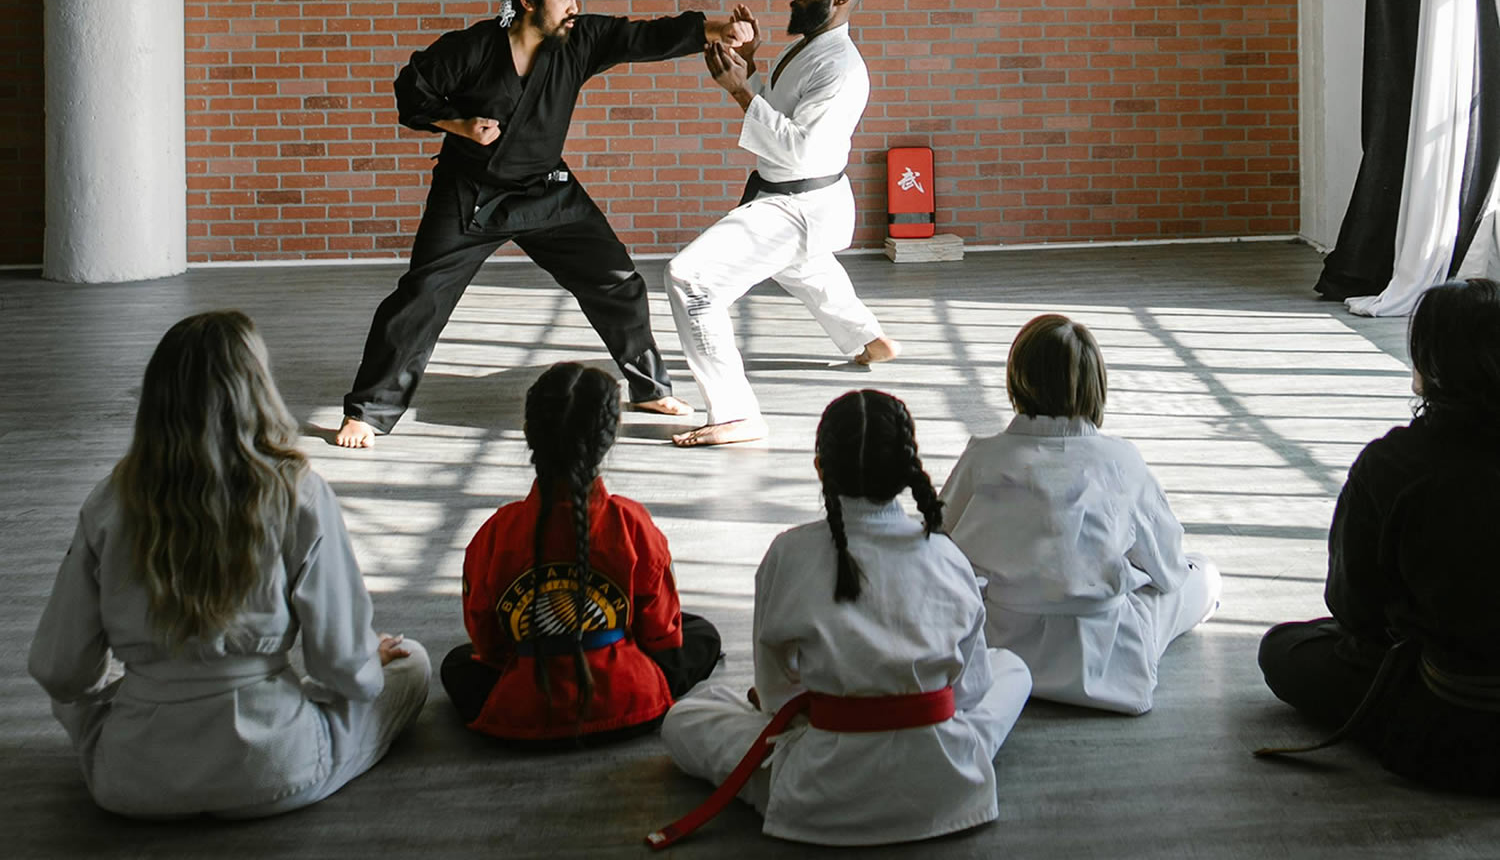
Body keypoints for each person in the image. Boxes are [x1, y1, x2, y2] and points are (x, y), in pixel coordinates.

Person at [336, 0, 754, 448]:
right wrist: (459, 124)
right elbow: (411, 90)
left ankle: (648, 387)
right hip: (470, 194)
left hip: (547, 190)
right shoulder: (471, 48)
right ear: (529, 1)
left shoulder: (580, 40)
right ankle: (368, 411)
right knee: (421, 298)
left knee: (617, 280)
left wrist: (717, 30)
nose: (575, 7)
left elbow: (642, 36)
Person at [28, 311, 429, 818]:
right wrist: (369, 658)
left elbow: (59, 671)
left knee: (81, 700)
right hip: (276, 768)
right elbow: (344, 670)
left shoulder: (110, 500)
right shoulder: (298, 493)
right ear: (257, 390)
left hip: (133, 779)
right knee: (410, 660)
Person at [652, 389, 1032, 848]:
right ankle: (945, 760)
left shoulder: (789, 552)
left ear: (820, 467)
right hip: (945, 782)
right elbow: (969, 693)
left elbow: (774, 695)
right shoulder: (948, 556)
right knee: (1012, 669)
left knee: (688, 716)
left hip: (821, 787)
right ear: (907, 470)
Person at [1258, 278, 1500, 791]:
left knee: (1284, 648)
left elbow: (1353, 607)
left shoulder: (1393, 464)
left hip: (1451, 711)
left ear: (1429, 368)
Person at [664, 0, 901, 448]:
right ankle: (868, 339)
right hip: (798, 199)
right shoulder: (807, 47)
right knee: (805, 269)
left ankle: (735, 413)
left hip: (799, 204)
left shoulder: (841, 68)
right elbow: (779, 111)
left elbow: (798, 149)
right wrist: (749, 69)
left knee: (692, 279)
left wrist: (738, 92)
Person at [941, 314, 1220, 716]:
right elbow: (1168, 570)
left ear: (1016, 382)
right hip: (1104, 655)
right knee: (1201, 574)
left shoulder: (982, 457)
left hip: (1001, 645)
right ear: (1096, 386)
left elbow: (941, 547)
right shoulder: (1120, 460)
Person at [441, 362, 721, 746]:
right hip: (629, 705)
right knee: (701, 634)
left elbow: (489, 645)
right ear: (610, 435)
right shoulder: (630, 522)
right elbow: (660, 632)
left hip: (524, 712)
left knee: (458, 663)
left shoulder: (496, 531)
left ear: (529, 432)